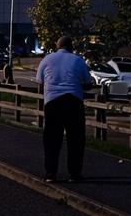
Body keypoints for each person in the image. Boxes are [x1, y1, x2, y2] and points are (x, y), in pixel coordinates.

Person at [35, 35, 95, 183]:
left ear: (57, 46)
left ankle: (50, 174)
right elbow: (87, 83)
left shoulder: (47, 60)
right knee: (75, 140)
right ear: (71, 47)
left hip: (52, 102)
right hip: (73, 102)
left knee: (51, 140)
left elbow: (40, 82)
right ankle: (74, 174)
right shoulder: (78, 60)